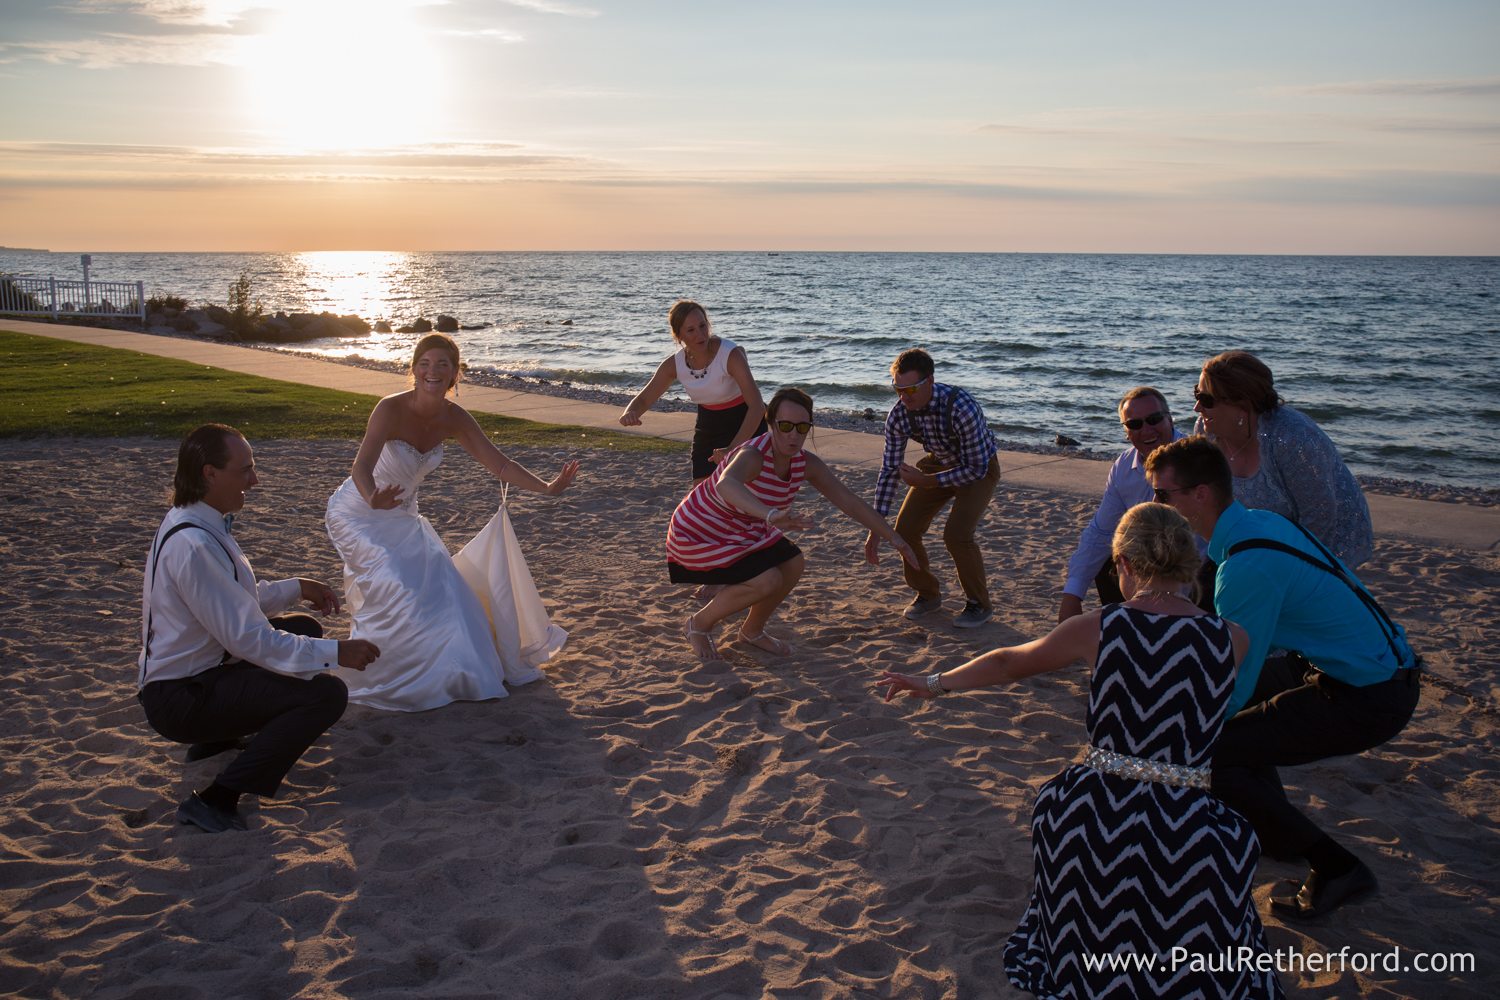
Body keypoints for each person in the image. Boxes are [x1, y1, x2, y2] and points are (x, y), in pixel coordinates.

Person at [880, 503, 1282, 999]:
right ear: (1192, 564)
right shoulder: (1233, 638)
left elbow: (1008, 662)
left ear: (1125, 566)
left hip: (1099, 813)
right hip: (1190, 817)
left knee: (1059, 813)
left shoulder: (1100, 626)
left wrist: (933, 682)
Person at [1146, 436, 1421, 920]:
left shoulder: (1246, 570)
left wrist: (1194, 730)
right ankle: (1273, 830)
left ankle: (1337, 868)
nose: (1155, 504)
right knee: (1232, 738)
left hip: (1370, 695)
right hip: (1365, 664)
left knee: (1210, 754)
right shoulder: (1259, 523)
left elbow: (1237, 681)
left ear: (1201, 495)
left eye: (1163, 495)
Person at [138, 424, 380, 834]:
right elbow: (247, 637)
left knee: (304, 625)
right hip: (180, 698)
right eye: (245, 469)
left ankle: (214, 741)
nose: (254, 479)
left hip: (196, 675)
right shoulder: (194, 544)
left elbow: (232, 600)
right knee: (326, 695)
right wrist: (337, 653)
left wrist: (296, 588)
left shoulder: (196, 519)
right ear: (209, 473)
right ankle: (217, 798)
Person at [326, 333, 579, 711]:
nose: (433, 371)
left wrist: (546, 488)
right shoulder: (390, 409)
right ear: (413, 369)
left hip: (404, 517)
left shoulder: (455, 418)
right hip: (358, 513)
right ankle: (382, 669)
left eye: (443, 364)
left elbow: (500, 464)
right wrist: (371, 496)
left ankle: (447, 673)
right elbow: (361, 465)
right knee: (396, 582)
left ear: (455, 374)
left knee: (449, 593)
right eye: (425, 363)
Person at [668, 387, 917, 661]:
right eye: (785, 425)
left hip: (743, 527)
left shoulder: (805, 463)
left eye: (802, 427)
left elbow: (850, 502)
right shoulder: (753, 455)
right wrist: (771, 515)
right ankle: (698, 625)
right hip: (700, 530)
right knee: (767, 579)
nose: (793, 434)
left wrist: (895, 538)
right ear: (771, 423)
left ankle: (752, 631)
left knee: (793, 563)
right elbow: (726, 483)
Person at [1193, 350, 1372, 568]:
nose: (1197, 407)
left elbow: (1320, 517)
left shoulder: (1291, 438)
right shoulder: (1206, 431)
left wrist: (1288, 570)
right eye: (1197, 394)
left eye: (1206, 399)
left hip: (1326, 539)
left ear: (1242, 405)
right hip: (1261, 536)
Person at [868, 348, 1001, 629]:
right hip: (938, 462)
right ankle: (928, 594)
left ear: (929, 381)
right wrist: (875, 527)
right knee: (903, 530)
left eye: (911, 389)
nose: (904, 397)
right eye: (898, 389)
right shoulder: (898, 415)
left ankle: (979, 604)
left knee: (957, 535)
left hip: (978, 467)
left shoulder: (961, 407)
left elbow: (976, 469)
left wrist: (927, 481)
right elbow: (890, 470)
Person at [1057, 385, 1195, 622]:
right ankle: (1129, 625)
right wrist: (1072, 595)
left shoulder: (1194, 459)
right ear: (1126, 432)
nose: (1146, 429)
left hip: (1192, 565)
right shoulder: (1124, 466)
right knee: (1109, 553)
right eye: (1135, 424)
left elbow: (1204, 542)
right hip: (1147, 565)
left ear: (1170, 420)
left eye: (1154, 419)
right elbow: (1100, 531)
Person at [619, 299, 767, 482]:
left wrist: (731, 449)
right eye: (691, 330)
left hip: (746, 421)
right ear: (678, 336)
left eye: (702, 326)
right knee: (701, 493)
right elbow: (644, 399)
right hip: (708, 426)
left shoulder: (730, 354)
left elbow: (757, 407)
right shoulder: (675, 364)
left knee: (742, 490)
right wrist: (630, 412)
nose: (700, 334)